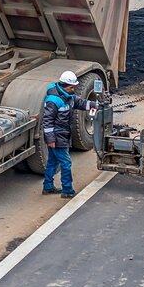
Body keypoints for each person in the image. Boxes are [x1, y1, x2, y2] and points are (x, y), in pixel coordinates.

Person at [41, 70, 93, 199]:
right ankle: (67, 190)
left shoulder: (68, 96)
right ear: (65, 86)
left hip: (62, 135)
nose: (73, 89)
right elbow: (47, 122)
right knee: (66, 163)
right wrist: (51, 139)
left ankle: (47, 187)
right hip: (58, 136)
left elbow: (79, 103)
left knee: (52, 162)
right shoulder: (54, 101)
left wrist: (95, 105)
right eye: (72, 87)